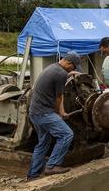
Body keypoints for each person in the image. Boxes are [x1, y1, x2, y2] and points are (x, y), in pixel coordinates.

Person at [26, 51, 81, 180]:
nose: (73, 70)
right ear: (69, 63)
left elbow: (56, 86)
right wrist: (60, 113)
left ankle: (33, 175)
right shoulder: (60, 74)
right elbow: (59, 97)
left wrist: (69, 74)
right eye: (73, 67)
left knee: (43, 142)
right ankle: (52, 166)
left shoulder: (52, 68)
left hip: (34, 112)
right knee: (67, 134)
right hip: (44, 113)